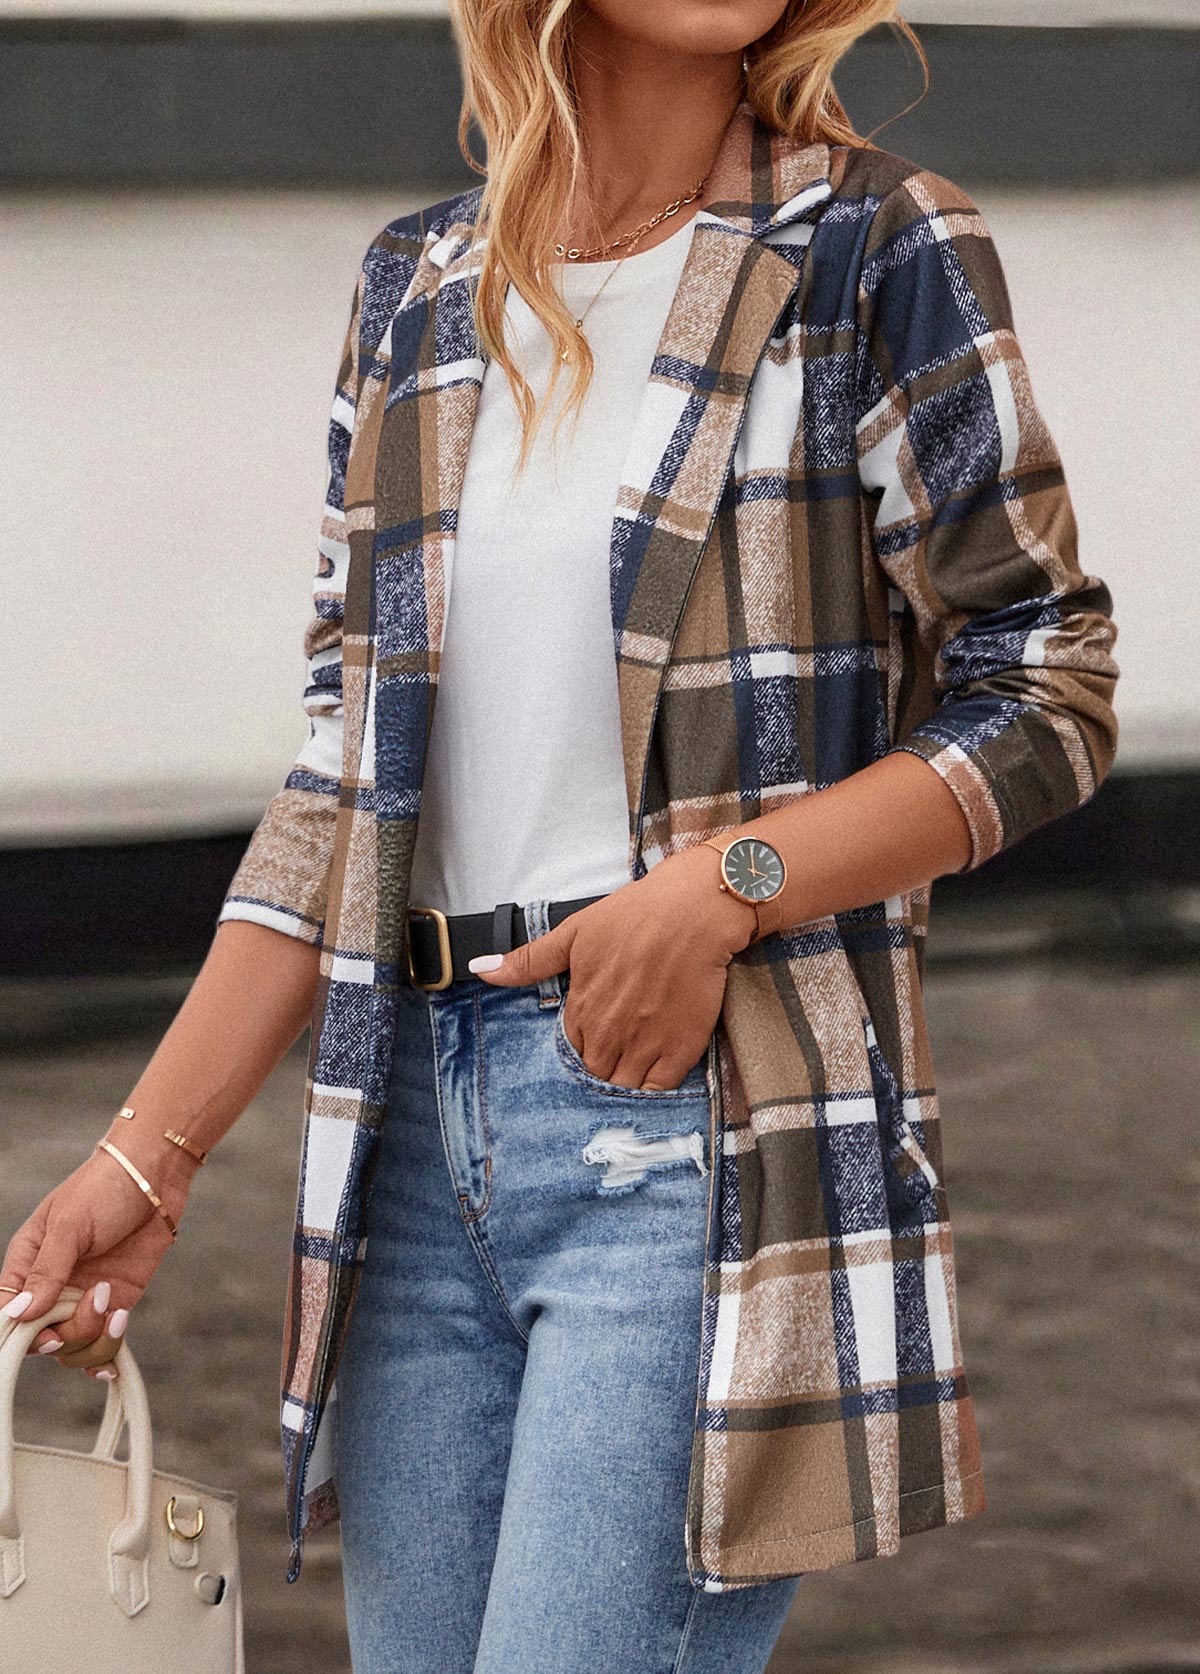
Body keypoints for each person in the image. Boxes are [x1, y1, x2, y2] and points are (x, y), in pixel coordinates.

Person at [1, 2, 1121, 1670]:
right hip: (408, 1144)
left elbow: (1046, 685)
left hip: (689, 1127)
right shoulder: (415, 289)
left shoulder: (869, 250)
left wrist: (730, 886)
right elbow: (342, 779)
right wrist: (146, 1155)